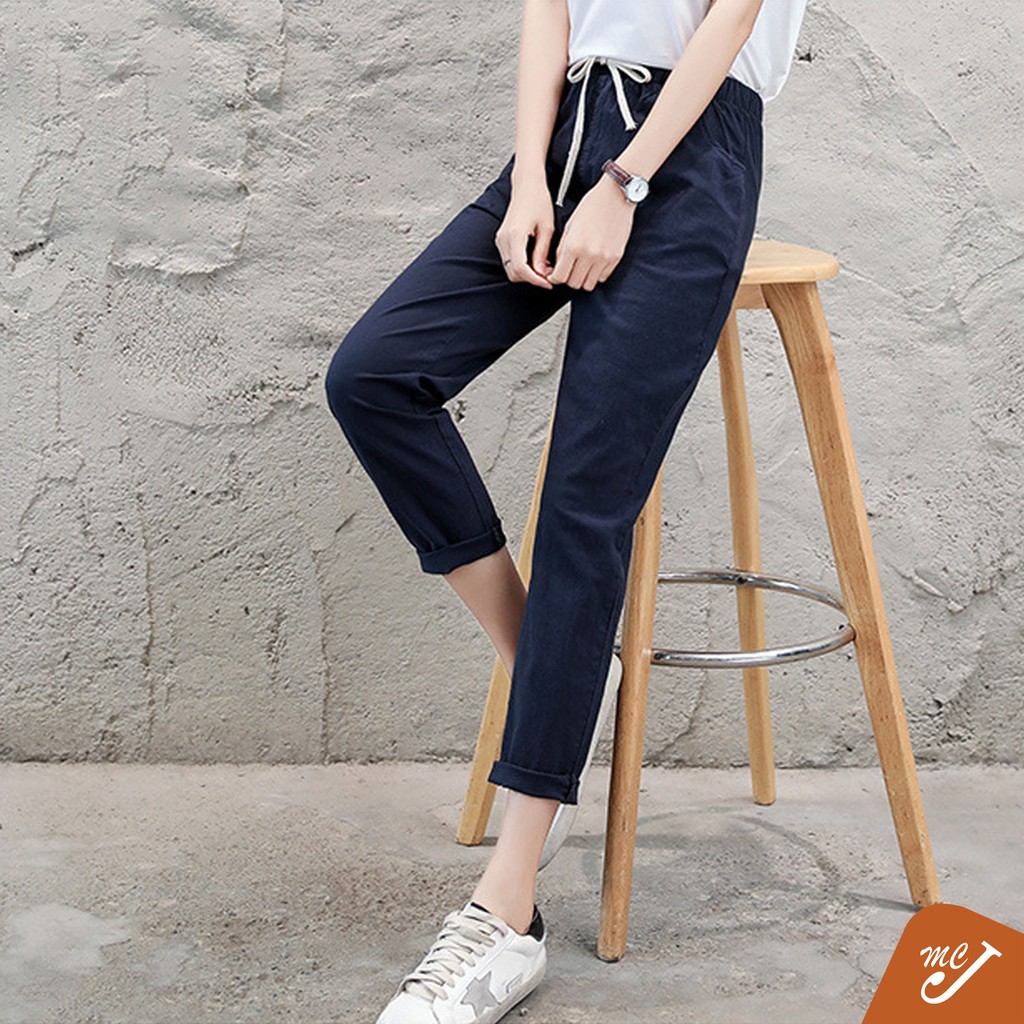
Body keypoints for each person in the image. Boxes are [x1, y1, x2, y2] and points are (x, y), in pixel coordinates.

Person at [324, 1, 808, 1020]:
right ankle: (558, 669)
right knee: (374, 377)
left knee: (585, 507)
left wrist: (623, 184)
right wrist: (532, 181)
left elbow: (728, 22)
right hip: (564, 130)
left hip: (688, 148)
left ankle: (507, 913)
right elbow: (550, 12)